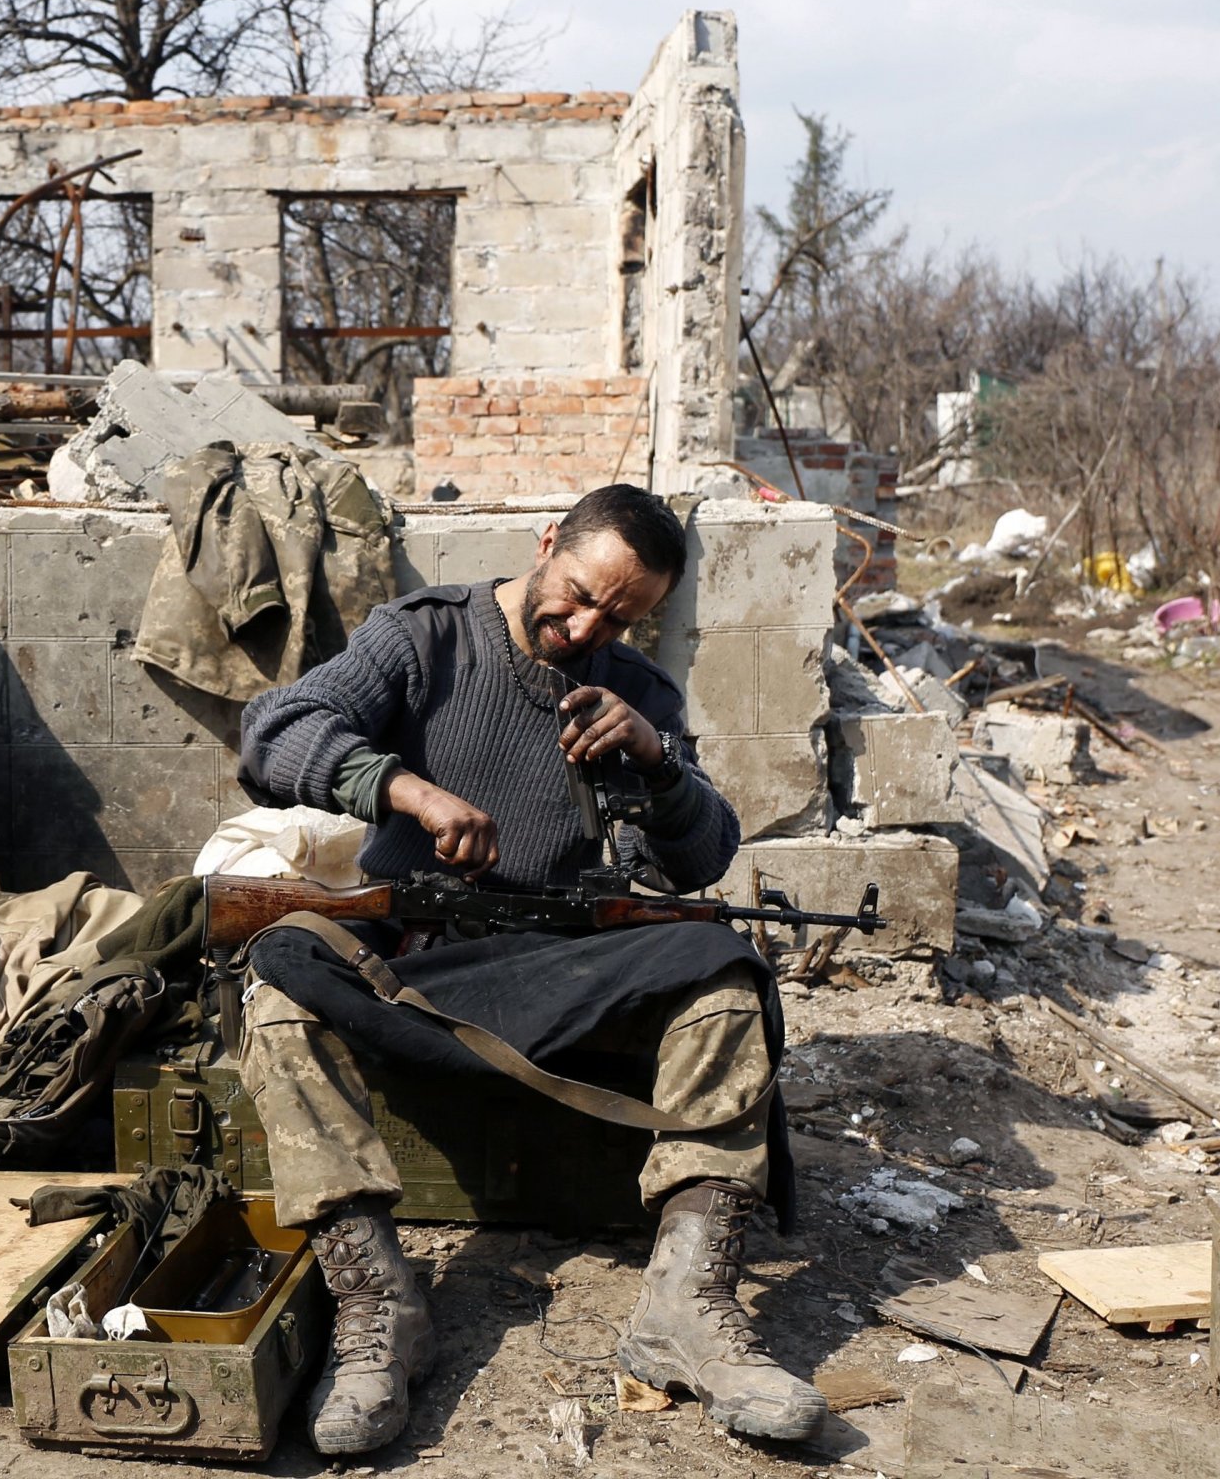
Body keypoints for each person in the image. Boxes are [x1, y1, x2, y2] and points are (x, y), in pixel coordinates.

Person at [234, 484, 820, 1453]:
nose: (585, 625)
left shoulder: (638, 690)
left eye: (619, 616)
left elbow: (706, 853)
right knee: (280, 978)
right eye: (579, 593)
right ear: (547, 542)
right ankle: (380, 1307)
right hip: (419, 954)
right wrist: (404, 790)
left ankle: (684, 1304)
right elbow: (274, 730)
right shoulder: (422, 637)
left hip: (561, 967)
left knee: (722, 974)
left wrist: (659, 763)